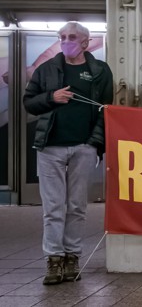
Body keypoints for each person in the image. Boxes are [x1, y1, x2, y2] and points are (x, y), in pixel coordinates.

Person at [22, 22, 113, 285]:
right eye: (62, 37)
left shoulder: (98, 70)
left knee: (76, 206)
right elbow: (30, 102)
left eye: (72, 37)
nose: (66, 41)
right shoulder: (46, 69)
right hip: (49, 147)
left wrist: (94, 144)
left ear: (85, 42)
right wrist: (51, 97)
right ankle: (53, 259)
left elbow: (106, 108)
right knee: (52, 207)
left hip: (83, 148)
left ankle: (72, 256)